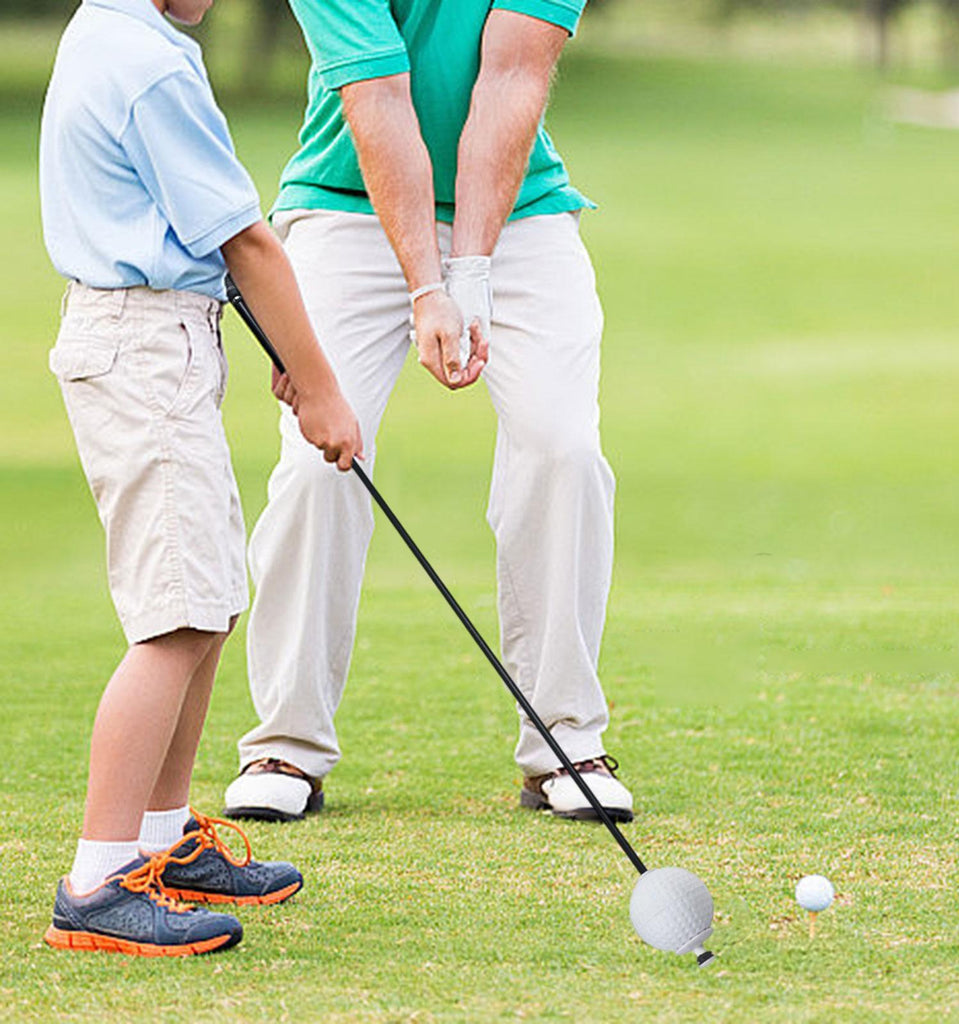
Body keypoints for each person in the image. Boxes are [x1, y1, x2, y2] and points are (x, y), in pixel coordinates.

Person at [224, 0, 634, 825]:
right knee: (317, 464)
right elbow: (377, 94)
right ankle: (287, 744)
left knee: (563, 448)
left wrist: (470, 270)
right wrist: (427, 287)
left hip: (520, 210)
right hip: (346, 202)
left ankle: (565, 741)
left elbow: (511, 75)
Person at [39, 0, 362, 955]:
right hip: (145, 347)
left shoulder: (108, 32)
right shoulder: (151, 63)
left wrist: (285, 350)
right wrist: (320, 387)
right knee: (175, 618)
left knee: (208, 603)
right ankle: (97, 885)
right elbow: (247, 242)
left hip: (154, 335)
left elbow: (197, 234)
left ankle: (161, 840)